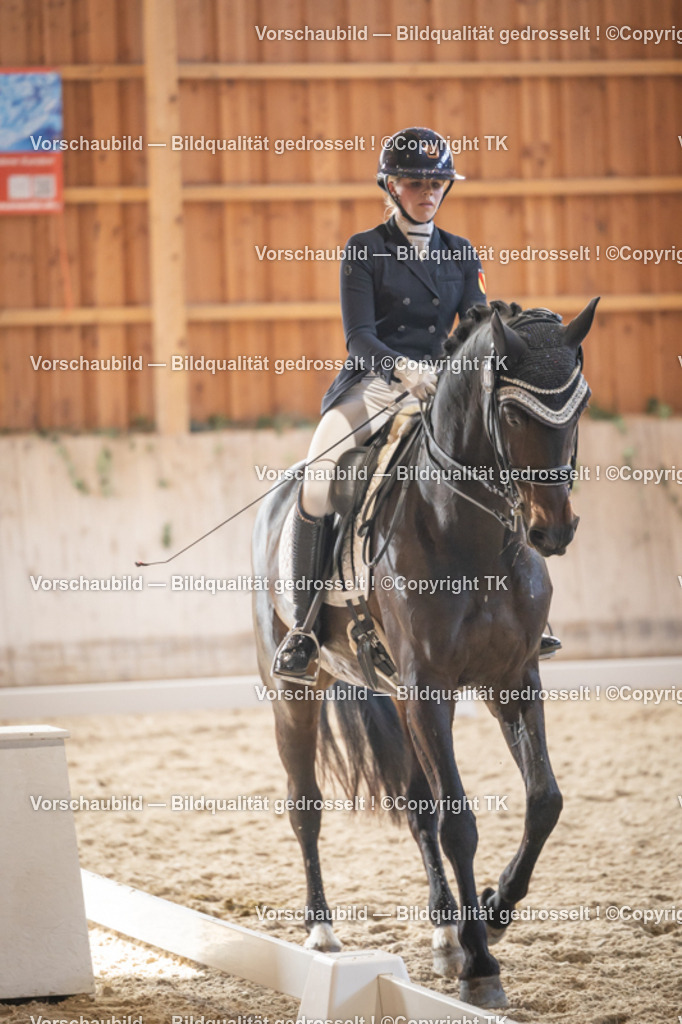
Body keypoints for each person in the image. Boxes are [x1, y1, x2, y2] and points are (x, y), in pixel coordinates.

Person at [272, 126, 489, 683]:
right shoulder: (364, 249)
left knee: (500, 462)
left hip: (441, 386)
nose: (428, 193)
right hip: (374, 384)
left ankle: (518, 610)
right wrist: (403, 368)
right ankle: (304, 627)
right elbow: (360, 337)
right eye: (416, 183)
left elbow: (475, 324)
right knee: (319, 474)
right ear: (392, 186)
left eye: (437, 183)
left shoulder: (462, 253)